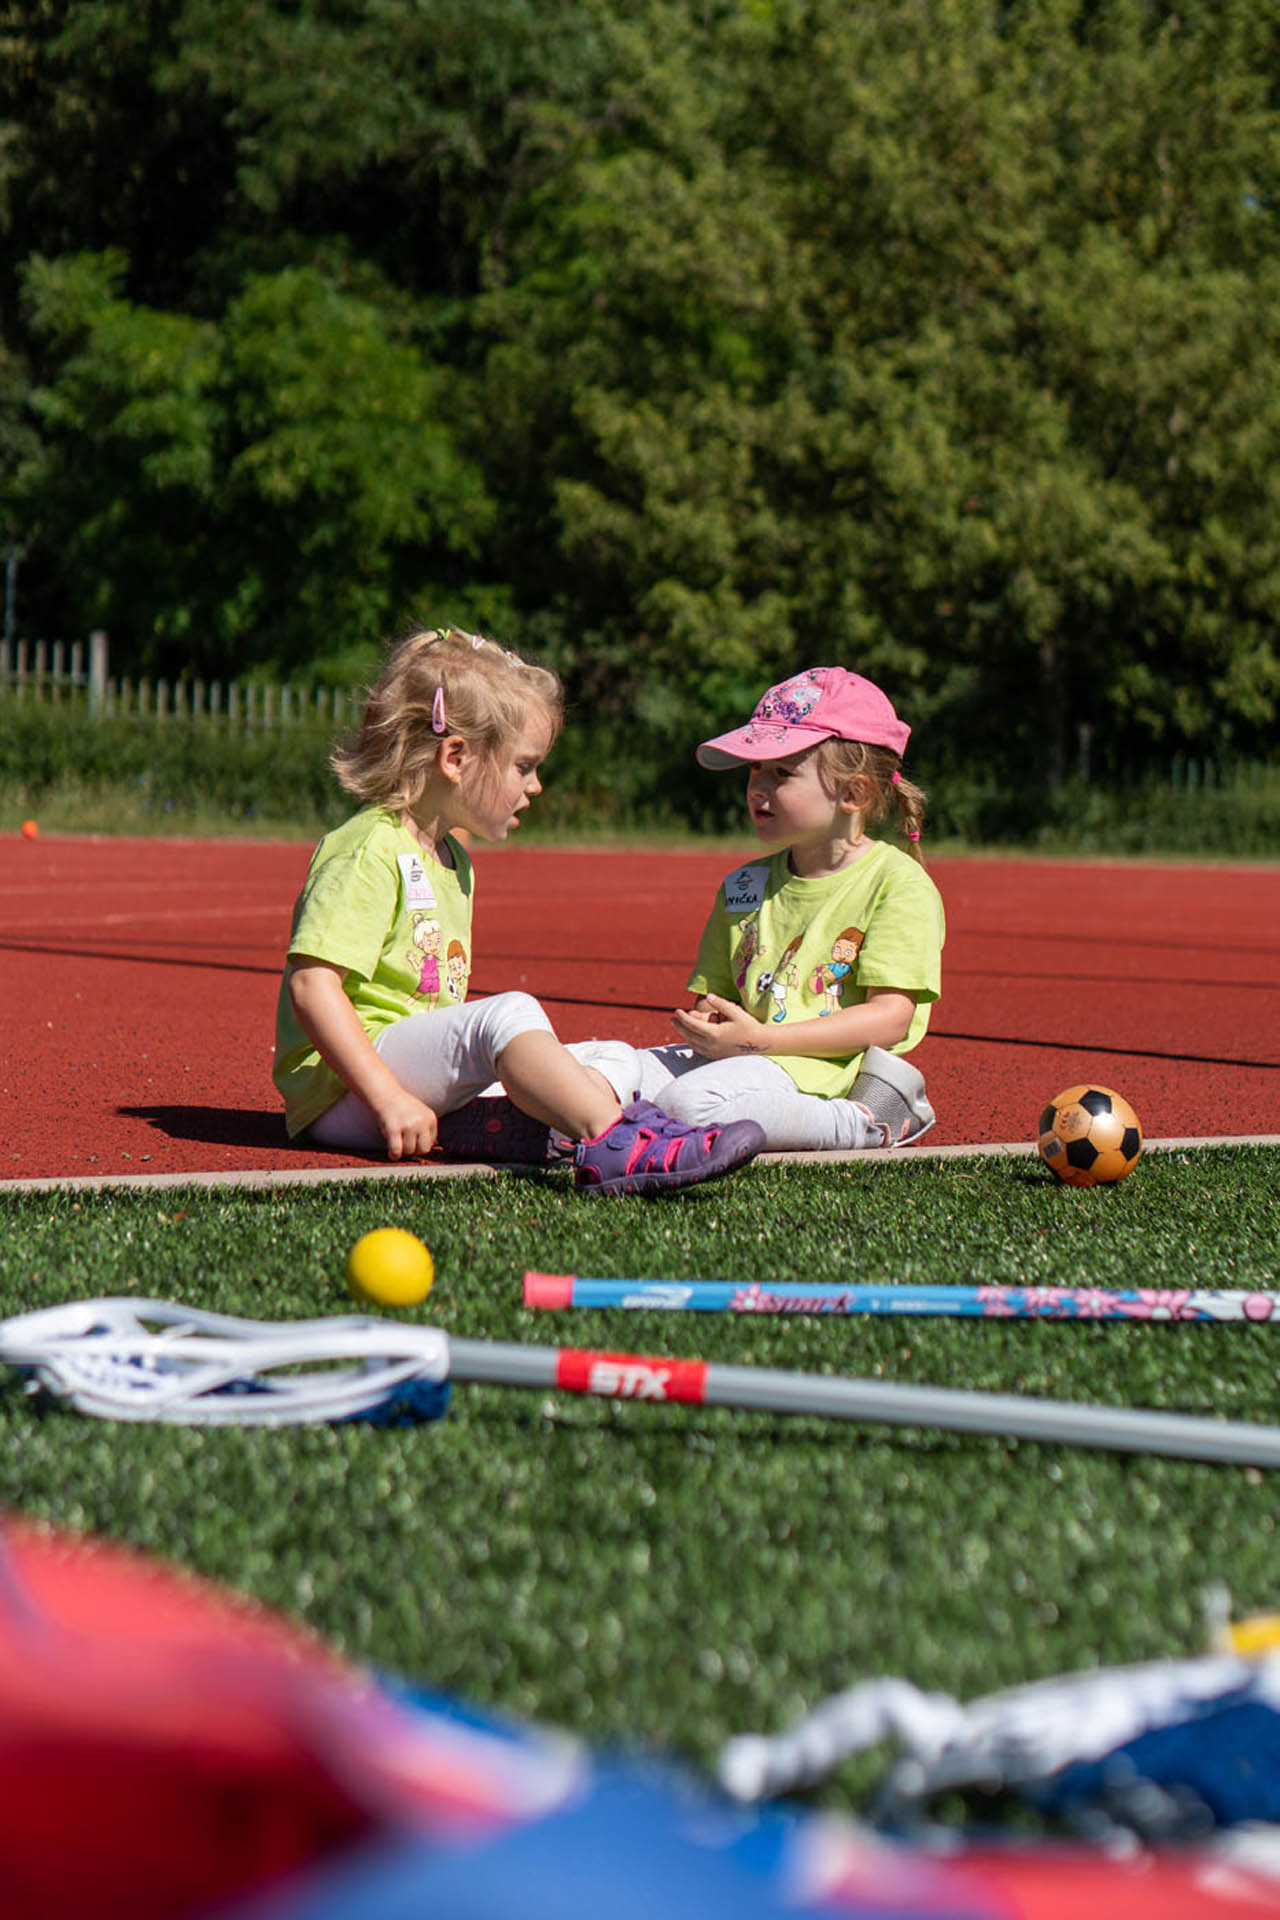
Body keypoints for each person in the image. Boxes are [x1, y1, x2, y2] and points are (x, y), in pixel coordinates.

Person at [272, 627, 764, 1196]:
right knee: (508, 1014)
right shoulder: (368, 849)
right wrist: (387, 1098)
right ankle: (610, 1141)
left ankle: (530, 1130)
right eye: (523, 766)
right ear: (455, 757)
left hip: (412, 1078)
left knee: (612, 1056)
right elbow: (311, 986)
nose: (535, 785)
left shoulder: (452, 857)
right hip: (345, 1092)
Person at [631, 665, 945, 1152]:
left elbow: (890, 1020)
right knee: (601, 1069)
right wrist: (710, 1025)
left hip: (825, 1072)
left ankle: (868, 1118)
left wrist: (759, 1041)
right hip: (743, 1060)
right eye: (754, 768)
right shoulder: (744, 885)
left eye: (782, 772)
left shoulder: (897, 884)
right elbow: (712, 997)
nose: (758, 787)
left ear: (854, 792)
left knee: (688, 1106)